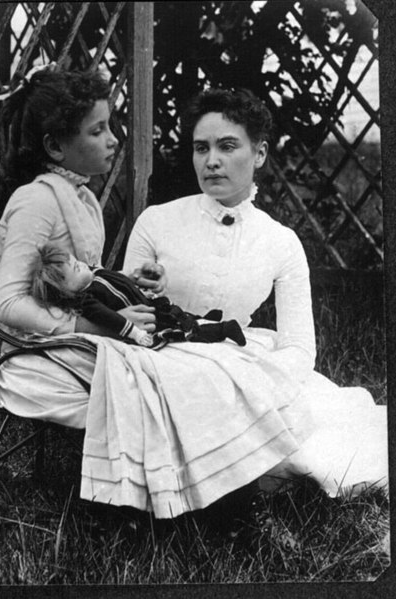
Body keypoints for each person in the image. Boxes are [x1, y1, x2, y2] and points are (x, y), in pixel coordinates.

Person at [123, 88, 388, 501]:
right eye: (201, 148)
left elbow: (299, 347)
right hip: (161, 362)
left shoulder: (280, 242)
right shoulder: (156, 222)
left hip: (245, 367)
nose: (211, 160)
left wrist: (259, 386)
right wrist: (142, 289)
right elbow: (124, 314)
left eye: (227, 146)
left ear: (260, 154)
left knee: (328, 445)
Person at [0, 64, 163, 429]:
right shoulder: (35, 201)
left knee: (179, 361)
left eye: (109, 125)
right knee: (164, 382)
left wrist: (125, 284)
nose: (113, 139)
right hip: (35, 356)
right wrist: (94, 326)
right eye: (97, 130)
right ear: (55, 146)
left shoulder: (79, 196)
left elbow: (79, 279)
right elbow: (8, 303)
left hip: (74, 341)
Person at [30, 243, 247, 349]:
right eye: (76, 270)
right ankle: (222, 329)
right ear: (67, 292)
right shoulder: (87, 300)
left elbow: (119, 280)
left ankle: (204, 318)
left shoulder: (96, 273)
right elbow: (109, 318)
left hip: (149, 303)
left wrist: (135, 277)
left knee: (178, 313)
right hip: (147, 319)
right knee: (181, 329)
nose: (81, 265)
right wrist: (134, 333)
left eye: (76, 261)